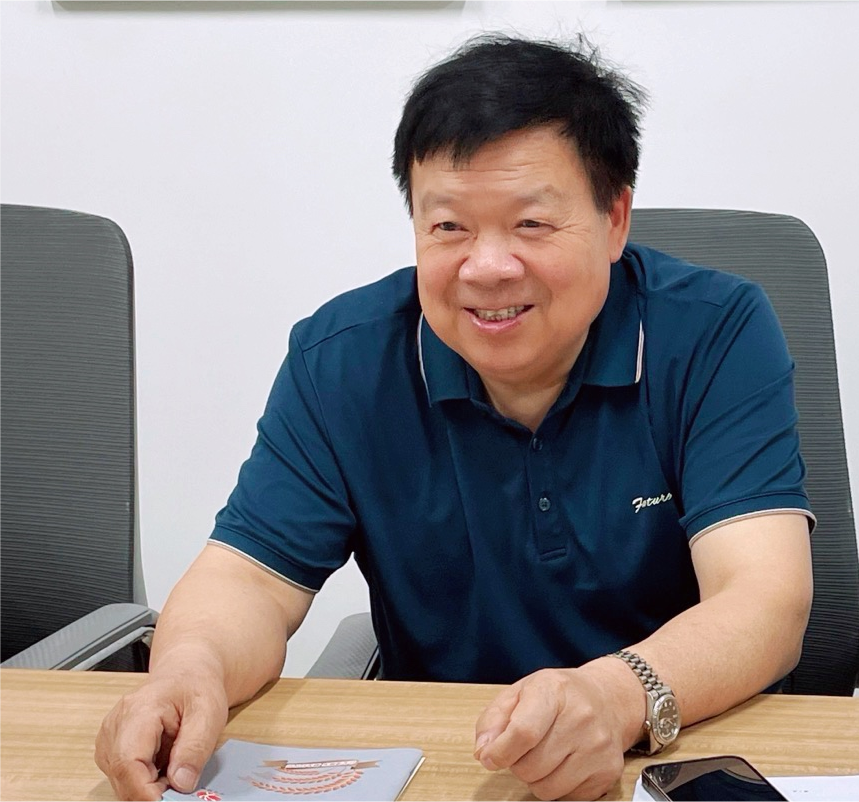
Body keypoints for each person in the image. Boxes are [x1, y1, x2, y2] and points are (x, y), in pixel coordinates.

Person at [95, 34, 814, 802]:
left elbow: (761, 598)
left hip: (683, 759)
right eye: (449, 227)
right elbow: (247, 581)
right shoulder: (343, 359)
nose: (487, 266)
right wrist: (187, 673)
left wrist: (614, 697)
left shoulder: (714, 331)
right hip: (455, 765)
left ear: (614, 219)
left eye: (531, 224)